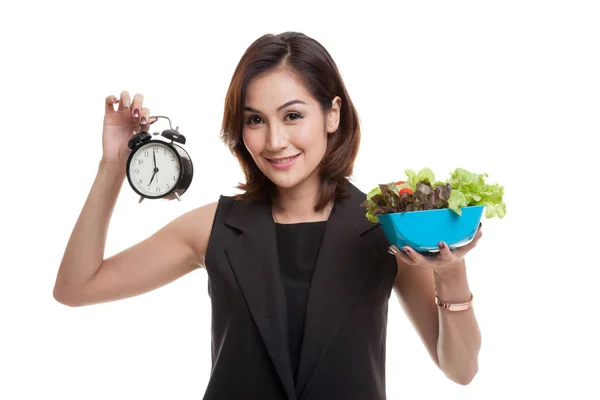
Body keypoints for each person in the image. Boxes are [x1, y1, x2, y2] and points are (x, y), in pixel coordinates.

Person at [53, 31, 483, 400]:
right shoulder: (211, 228)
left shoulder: (383, 226)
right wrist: (113, 166)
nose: (275, 141)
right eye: (255, 120)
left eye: (293, 116)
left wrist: (452, 271)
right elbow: (76, 287)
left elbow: (460, 370)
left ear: (332, 114)